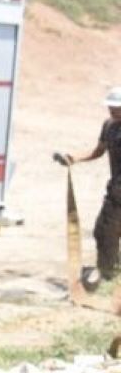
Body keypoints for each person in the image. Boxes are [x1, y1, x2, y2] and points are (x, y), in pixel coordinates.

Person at [55, 85, 121, 282]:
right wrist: (74, 158)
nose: (112, 110)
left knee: (106, 230)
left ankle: (111, 275)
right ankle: (111, 275)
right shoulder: (109, 126)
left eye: (116, 107)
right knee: (104, 231)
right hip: (116, 192)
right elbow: (99, 151)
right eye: (111, 106)